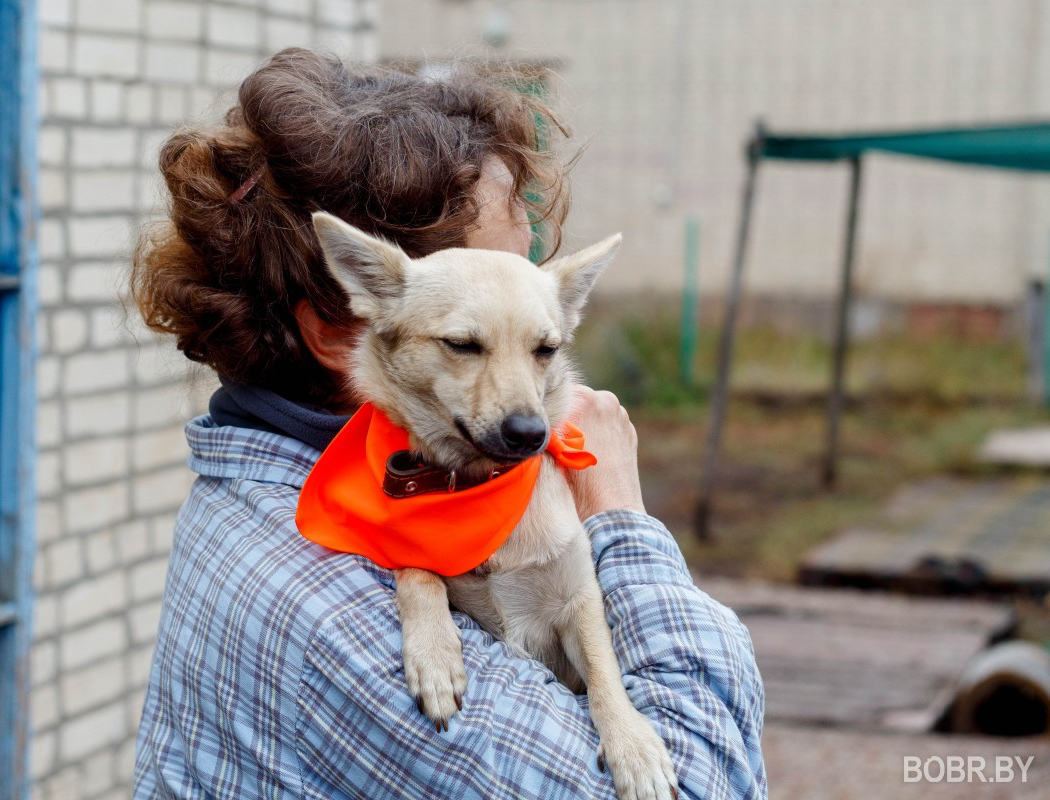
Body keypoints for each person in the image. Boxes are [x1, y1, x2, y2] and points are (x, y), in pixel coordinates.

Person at [130, 48, 766, 799]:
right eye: (468, 338)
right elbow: (704, 785)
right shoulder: (346, 622)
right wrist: (622, 520)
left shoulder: (318, 502)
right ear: (349, 324)